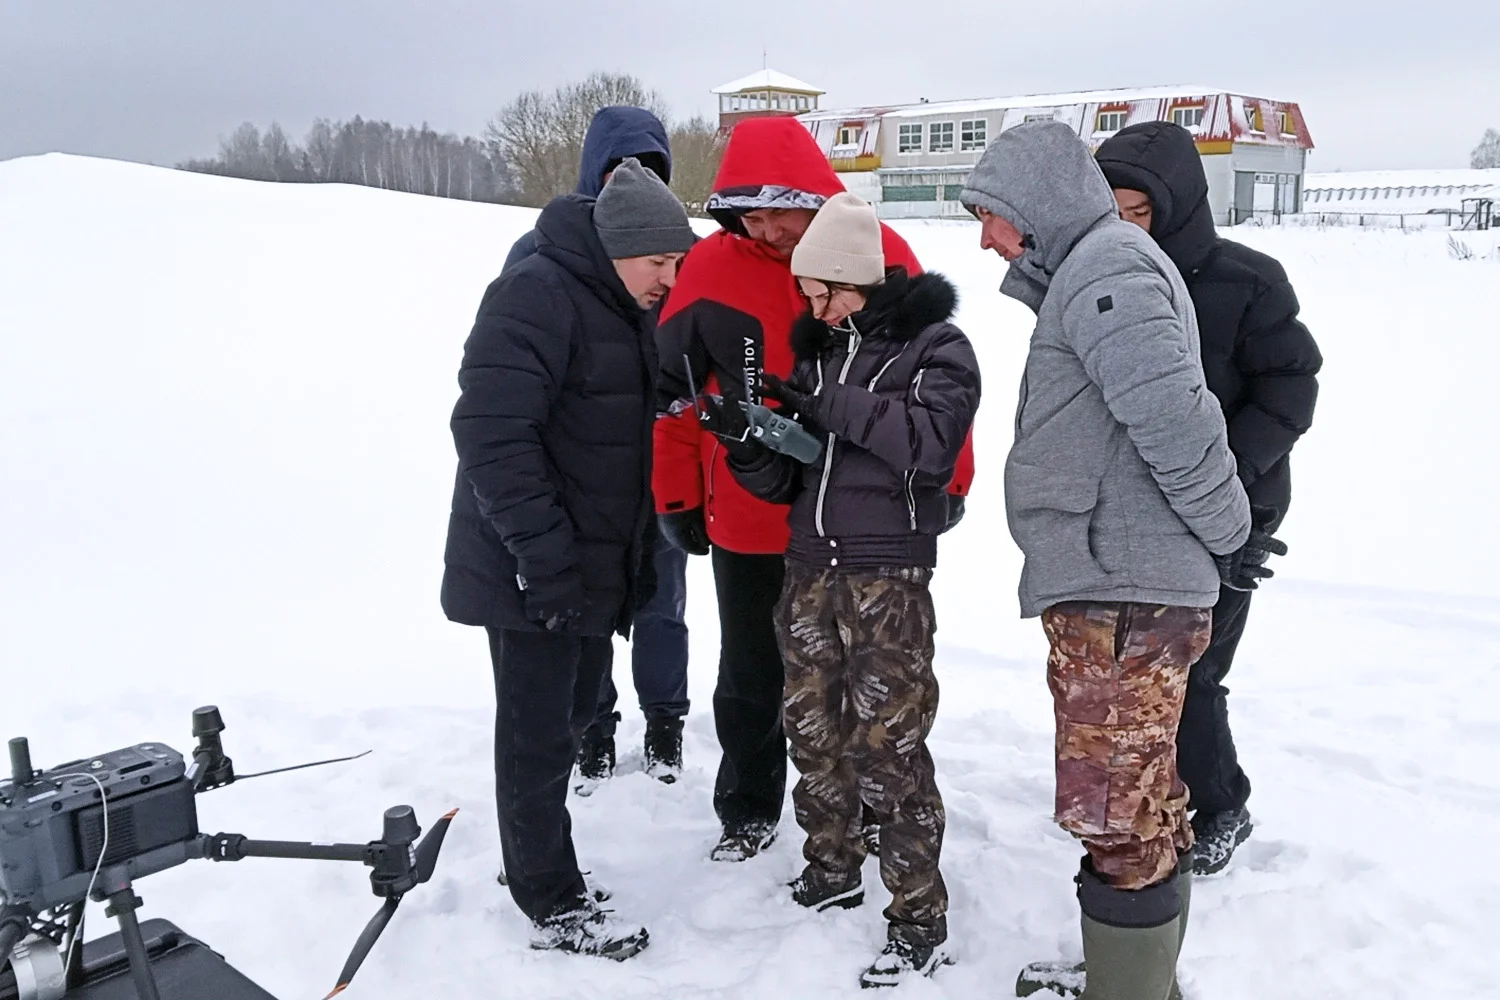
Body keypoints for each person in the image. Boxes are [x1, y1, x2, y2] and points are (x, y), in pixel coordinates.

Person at [957, 121, 1280, 998]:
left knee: (1116, 813)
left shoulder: (1107, 272)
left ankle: (1127, 989)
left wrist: (1228, 532)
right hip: (1118, 582)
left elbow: (1178, 421)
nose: (984, 239)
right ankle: (1138, 981)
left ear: (1035, 203)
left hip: (1125, 595)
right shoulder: (1094, 269)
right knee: (1143, 801)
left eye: (988, 215)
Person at [652, 116, 976, 862]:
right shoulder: (708, 269)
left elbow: (936, 388)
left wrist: (951, 477)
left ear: (814, 195)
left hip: (865, 517)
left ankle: (868, 808)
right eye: (750, 216)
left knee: (867, 678)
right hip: (749, 512)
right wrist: (675, 493)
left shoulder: (879, 253)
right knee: (752, 673)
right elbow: (675, 395)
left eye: (781, 211)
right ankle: (748, 804)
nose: (767, 230)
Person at [705, 193, 979, 987]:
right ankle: (831, 866)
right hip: (808, 569)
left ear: (859, 279)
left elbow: (929, 445)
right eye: (808, 294)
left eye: (825, 293)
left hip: (886, 577)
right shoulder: (819, 354)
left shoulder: (938, 348)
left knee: (887, 748)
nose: (814, 309)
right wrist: (751, 446)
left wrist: (829, 403)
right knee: (811, 731)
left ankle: (919, 915)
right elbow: (799, 479)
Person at [441, 159, 695, 960]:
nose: (670, 279)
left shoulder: (622, 303)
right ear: (615, 250)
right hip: (530, 562)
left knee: (575, 711)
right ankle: (549, 898)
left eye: (677, 263)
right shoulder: (536, 294)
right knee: (538, 734)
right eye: (659, 262)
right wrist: (543, 561)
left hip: (589, 561)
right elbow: (491, 433)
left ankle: (536, 859)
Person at [1096, 121, 1322, 874]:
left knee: (1192, 671)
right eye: (1112, 212)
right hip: (1136, 508)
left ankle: (1221, 805)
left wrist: (1227, 474)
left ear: (1180, 206)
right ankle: (1142, 794)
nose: (1126, 228)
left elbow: (1289, 388)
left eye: (1140, 212)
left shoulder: (1247, 280)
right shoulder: (1097, 281)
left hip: (1235, 507)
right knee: (1129, 671)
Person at [503, 106, 690, 787]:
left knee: (662, 603)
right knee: (590, 609)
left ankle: (665, 721)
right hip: (584, 474)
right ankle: (595, 728)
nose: (629, 179)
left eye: (650, 169)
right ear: (592, 172)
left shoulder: (675, 252)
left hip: (659, 465)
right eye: (615, 168)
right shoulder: (540, 254)